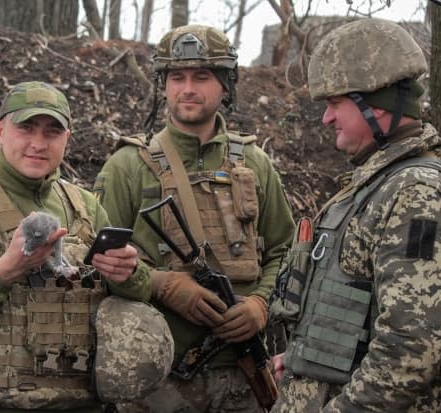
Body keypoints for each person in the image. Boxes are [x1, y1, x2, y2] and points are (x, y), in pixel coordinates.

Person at [0, 81, 170, 413]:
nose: (38, 143)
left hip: (83, 404)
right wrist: (5, 270)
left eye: (52, 132)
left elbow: (138, 290)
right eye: (26, 128)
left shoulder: (86, 206)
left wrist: (130, 274)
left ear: (67, 139)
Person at [269, 19, 441, 412]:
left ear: (378, 106)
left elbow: (409, 352)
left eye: (336, 104)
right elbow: (355, 309)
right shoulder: (376, 187)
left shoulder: (419, 196)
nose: (326, 119)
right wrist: (305, 362)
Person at [94, 25, 295, 412]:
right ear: (164, 85)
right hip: (159, 382)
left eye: (202, 77)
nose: (188, 88)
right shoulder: (127, 167)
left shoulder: (255, 164)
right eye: (177, 77)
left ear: (225, 85)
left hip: (243, 375)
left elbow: (285, 252)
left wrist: (260, 303)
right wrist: (161, 284)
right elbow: (98, 265)